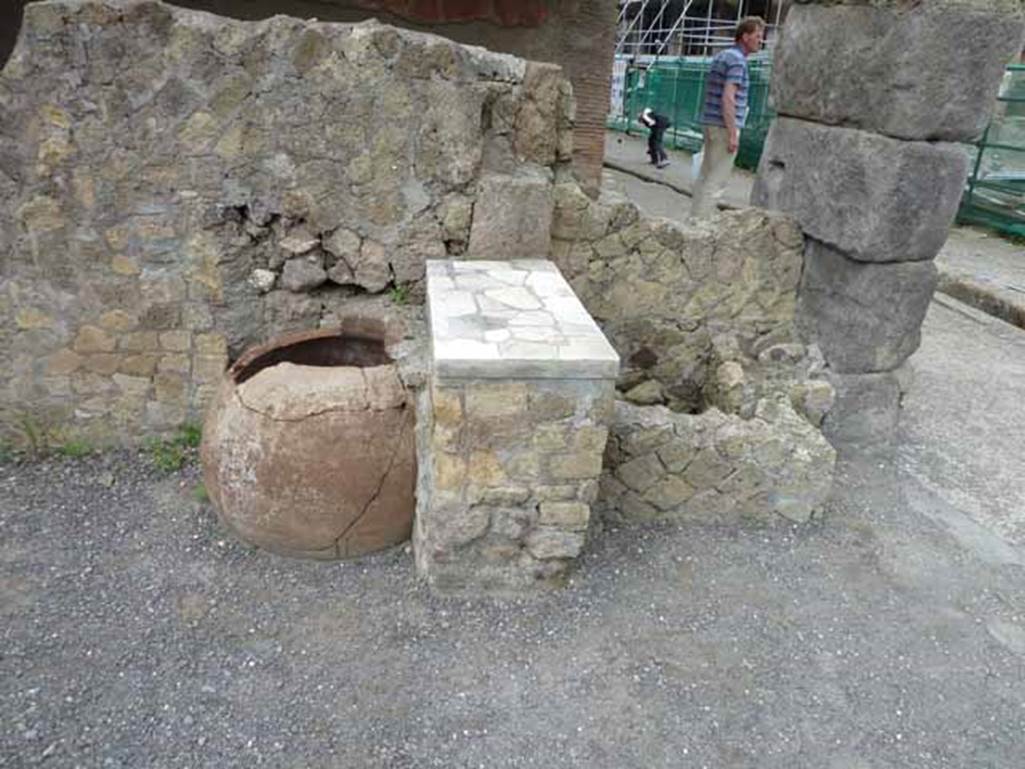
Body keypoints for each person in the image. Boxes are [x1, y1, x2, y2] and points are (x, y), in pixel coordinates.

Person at [690, 17, 765, 219]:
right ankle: (701, 224)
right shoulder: (738, 61)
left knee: (705, 175)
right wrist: (733, 133)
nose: (761, 41)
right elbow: (728, 97)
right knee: (716, 180)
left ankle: (694, 218)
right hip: (724, 125)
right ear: (745, 36)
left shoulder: (722, 56)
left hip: (710, 121)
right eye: (758, 36)